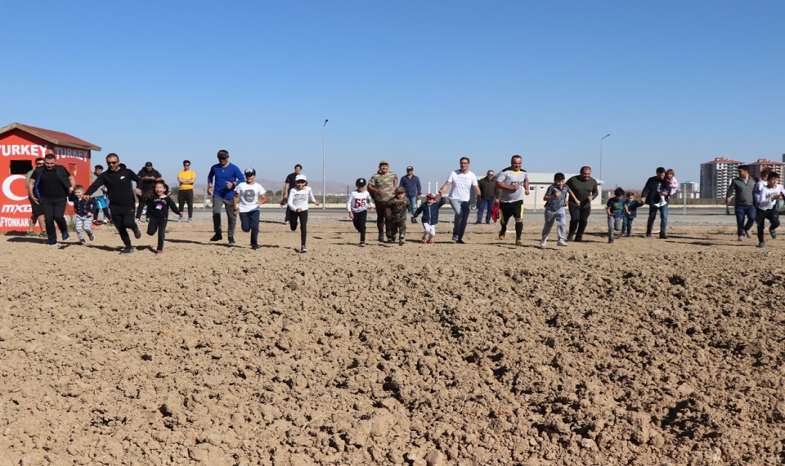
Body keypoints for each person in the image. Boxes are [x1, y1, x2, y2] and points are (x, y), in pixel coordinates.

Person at [85, 153, 143, 254]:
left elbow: (139, 180)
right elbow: (95, 185)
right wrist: (87, 194)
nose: (111, 164)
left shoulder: (127, 172)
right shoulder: (105, 175)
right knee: (120, 228)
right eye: (109, 163)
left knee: (128, 223)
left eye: (113, 162)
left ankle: (135, 228)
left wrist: (139, 188)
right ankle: (128, 247)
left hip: (128, 203)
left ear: (118, 162)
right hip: (114, 205)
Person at [28, 153, 75, 246]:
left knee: (58, 217)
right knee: (49, 220)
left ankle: (64, 230)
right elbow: (31, 183)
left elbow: (71, 178)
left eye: (51, 163)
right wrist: (32, 196)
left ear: (55, 162)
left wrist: (72, 187)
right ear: (44, 162)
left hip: (60, 198)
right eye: (47, 163)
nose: (49, 165)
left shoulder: (61, 169)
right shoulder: (39, 170)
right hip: (45, 199)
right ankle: (52, 239)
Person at [439, 157, 480, 244]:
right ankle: (455, 233)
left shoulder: (472, 175)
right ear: (459, 164)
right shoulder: (454, 173)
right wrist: (442, 190)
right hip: (454, 198)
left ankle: (459, 238)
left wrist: (480, 195)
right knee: (458, 213)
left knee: (464, 221)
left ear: (469, 164)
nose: (463, 164)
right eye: (462, 163)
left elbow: (476, 187)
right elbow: (447, 184)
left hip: (466, 200)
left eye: (465, 163)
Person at [207, 149, 244, 244]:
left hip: (230, 196)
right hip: (217, 195)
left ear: (228, 157)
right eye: (220, 158)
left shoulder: (234, 168)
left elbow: (242, 179)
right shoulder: (214, 167)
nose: (221, 160)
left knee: (231, 217)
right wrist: (210, 185)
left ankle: (231, 237)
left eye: (223, 158)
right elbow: (210, 176)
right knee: (216, 213)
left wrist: (233, 183)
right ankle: (218, 234)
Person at [495, 155, 530, 246]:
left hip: (518, 201)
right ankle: (503, 229)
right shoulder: (505, 172)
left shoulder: (524, 172)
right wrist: (510, 188)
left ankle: (518, 239)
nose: (517, 165)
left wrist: (527, 189)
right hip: (505, 202)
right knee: (504, 221)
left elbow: (526, 180)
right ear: (511, 163)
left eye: (519, 163)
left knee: (519, 219)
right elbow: (498, 183)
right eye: (515, 163)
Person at [234, 168, 267, 250]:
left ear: (254, 176)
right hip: (243, 209)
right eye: (247, 175)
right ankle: (245, 226)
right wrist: (235, 208)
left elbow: (264, 198)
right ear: (245, 176)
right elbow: (235, 196)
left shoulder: (258, 186)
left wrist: (261, 202)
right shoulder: (241, 185)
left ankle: (254, 244)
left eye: (251, 175)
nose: (249, 177)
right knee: (246, 228)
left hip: (254, 209)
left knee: (255, 227)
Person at [145, 181, 181, 255]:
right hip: (153, 217)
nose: (158, 189)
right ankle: (152, 229)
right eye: (157, 188)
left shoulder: (167, 199)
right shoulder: (153, 198)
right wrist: (148, 215)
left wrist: (178, 212)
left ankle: (159, 249)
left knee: (161, 233)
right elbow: (149, 207)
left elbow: (173, 206)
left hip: (162, 218)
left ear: (164, 189)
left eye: (160, 187)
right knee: (150, 232)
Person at [287, 174, 320, 252]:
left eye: (302, 182)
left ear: (305, 182)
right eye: (298, 182)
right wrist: (295, 209)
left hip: (304, 210)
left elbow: (311, 196)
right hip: (294, 211)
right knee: (293, 228)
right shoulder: (293, 190)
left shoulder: (308, 189)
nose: (300, 184)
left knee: (304, 226)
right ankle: (295, 223)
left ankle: (303, 245)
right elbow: (289, 203)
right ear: (295, 183)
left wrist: (315, 201)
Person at [566, 166, 599, 242]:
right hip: (574, 203)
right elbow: (565, 188)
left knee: (583, 220)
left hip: (586, 205)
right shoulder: (573, 180)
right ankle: (571, 234)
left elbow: (596, 192)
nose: (587, 175)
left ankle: (579, 237)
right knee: (575, 219)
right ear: (581, 173)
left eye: (588, 174)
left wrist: (592, 196)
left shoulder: (593, 181)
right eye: (585, 174)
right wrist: (564, 198)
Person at [368, 160, 398, 242]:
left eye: (385, 166)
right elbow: (369, 186)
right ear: (379, 167)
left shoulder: (392, 174)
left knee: (389, 217)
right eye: (382, 166)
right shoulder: (375, 176)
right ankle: (381, 233)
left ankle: (389, 233)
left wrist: (395, 187)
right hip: (379, 200)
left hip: (390, 199)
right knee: (380, 217)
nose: (384, 167)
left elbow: (395, 178)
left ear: (388, 167)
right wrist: (376, 190)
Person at [725, 165, 757, 241]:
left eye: (740, 171)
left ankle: (747, 228)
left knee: (752, 217)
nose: (739, 173)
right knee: (740, 220)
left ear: (746, 171)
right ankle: (740, 235)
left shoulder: (755, 180)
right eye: (738, 171)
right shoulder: (735, 181)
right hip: (740, 205)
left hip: (751, 204)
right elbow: (730, 189)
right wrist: (728, 196)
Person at [754, 171, 784, 248]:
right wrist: (773, 198)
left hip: (771, 208)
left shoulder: (780, 187)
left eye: (776, 179)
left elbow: (784, 194)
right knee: (760, 226)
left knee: (776, 222)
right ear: (768, 180)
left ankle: (772, 229)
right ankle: (761, 241)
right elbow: (761, 202)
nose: (774, 182)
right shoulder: (764, 189)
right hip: (761, 209)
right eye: (772, 179)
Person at [641, 167, 672, 239]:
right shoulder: (651, 180)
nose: (661, 177)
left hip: (664, 202)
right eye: (660, 175)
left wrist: (667, 194)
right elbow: (646, 189)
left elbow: (672, 189)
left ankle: (662, 233)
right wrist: (643, 196)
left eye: (663, 175)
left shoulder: (667, 180)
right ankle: (648, 232)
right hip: (653, 201)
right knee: (652, 217)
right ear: (657, 174)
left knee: (664, 217)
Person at [540, 172, 569, 248]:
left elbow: (564, 194)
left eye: (562, 181)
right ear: (555, 181)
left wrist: (565, 200)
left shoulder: (565, 187)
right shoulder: (551, 188)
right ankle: (544, 239)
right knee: (548, 225)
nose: (560, 183)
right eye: (558, 181)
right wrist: (553, 196)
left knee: (562, 223)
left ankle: (561, 239)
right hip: (550, 209)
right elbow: (545, 198)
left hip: (560, 208)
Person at [346, 177, 375, 247]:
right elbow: (348, 203)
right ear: (356, 185)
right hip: (355, 211)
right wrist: (350, 212)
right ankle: (362, 230)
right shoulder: (353, 193)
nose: (360, 187)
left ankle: (362, 240)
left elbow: (369, 201)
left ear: (364, 186)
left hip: (363, 211)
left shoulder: (366, 193)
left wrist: (372, 207)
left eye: (362, 186)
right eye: (359, 185)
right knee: (356, 224)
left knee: (362, 225)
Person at [25, 158, 45, 236]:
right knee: (41, 213)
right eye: (39, 164)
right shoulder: (31, 173)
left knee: (36, 213)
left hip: (42, 196)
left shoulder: (45, 172)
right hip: (34, 196)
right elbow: (28, 185)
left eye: (42, 164)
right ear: (35, 164)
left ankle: (30, 230)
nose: (41, 165)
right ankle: (43, 232)